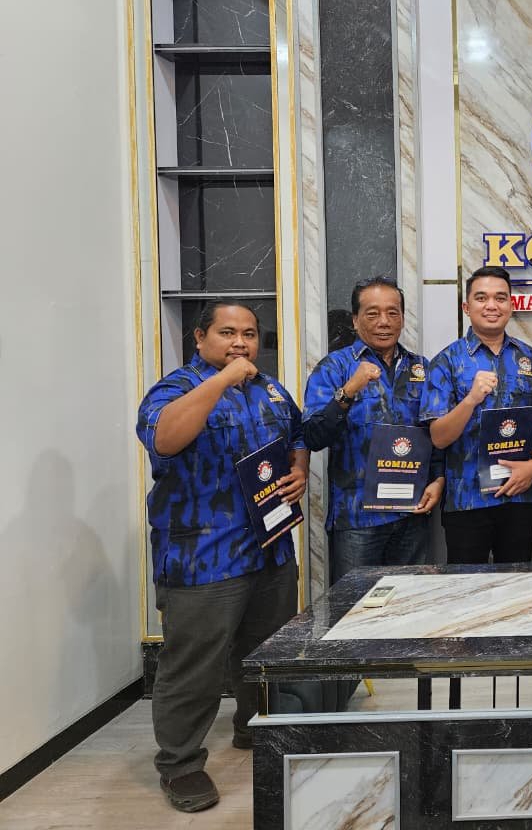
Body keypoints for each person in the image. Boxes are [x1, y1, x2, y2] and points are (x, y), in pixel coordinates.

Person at [136, 302, 308, 812]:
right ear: (199, 337)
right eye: (227, 332)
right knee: (195, 664)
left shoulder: (270, 388)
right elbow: (165, 438)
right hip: (203, 555)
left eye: (249, 334)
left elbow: (297, 435)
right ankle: (181, 764)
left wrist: (299, 470)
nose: (240, 342)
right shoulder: (175, 387)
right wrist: (222, 380)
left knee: (264, 654)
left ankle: (254, 729)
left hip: (270, 549)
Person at [302, 277, 445, 584]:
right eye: (372, 313)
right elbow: (313, 436)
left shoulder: (423, 369)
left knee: (410, 601)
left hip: (412, 513)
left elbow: (434, 433)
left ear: (403, 318)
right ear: (355, 320)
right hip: (357, 518)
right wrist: (348, 391)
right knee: (353, 604)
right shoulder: (335, 367)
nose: (384, 321)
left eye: (393, 312)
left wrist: (438, 479)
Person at [421, 266, 532, 564]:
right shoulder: (446, 361)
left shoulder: (529, 357)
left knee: (518, 583)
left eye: (500, 298)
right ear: (466, 307)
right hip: (467, 501)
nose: (492, 305)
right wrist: (470, 400)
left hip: (519, 495)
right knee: (468, 585)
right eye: (481, 298)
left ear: (511, 305)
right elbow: (438, 437)